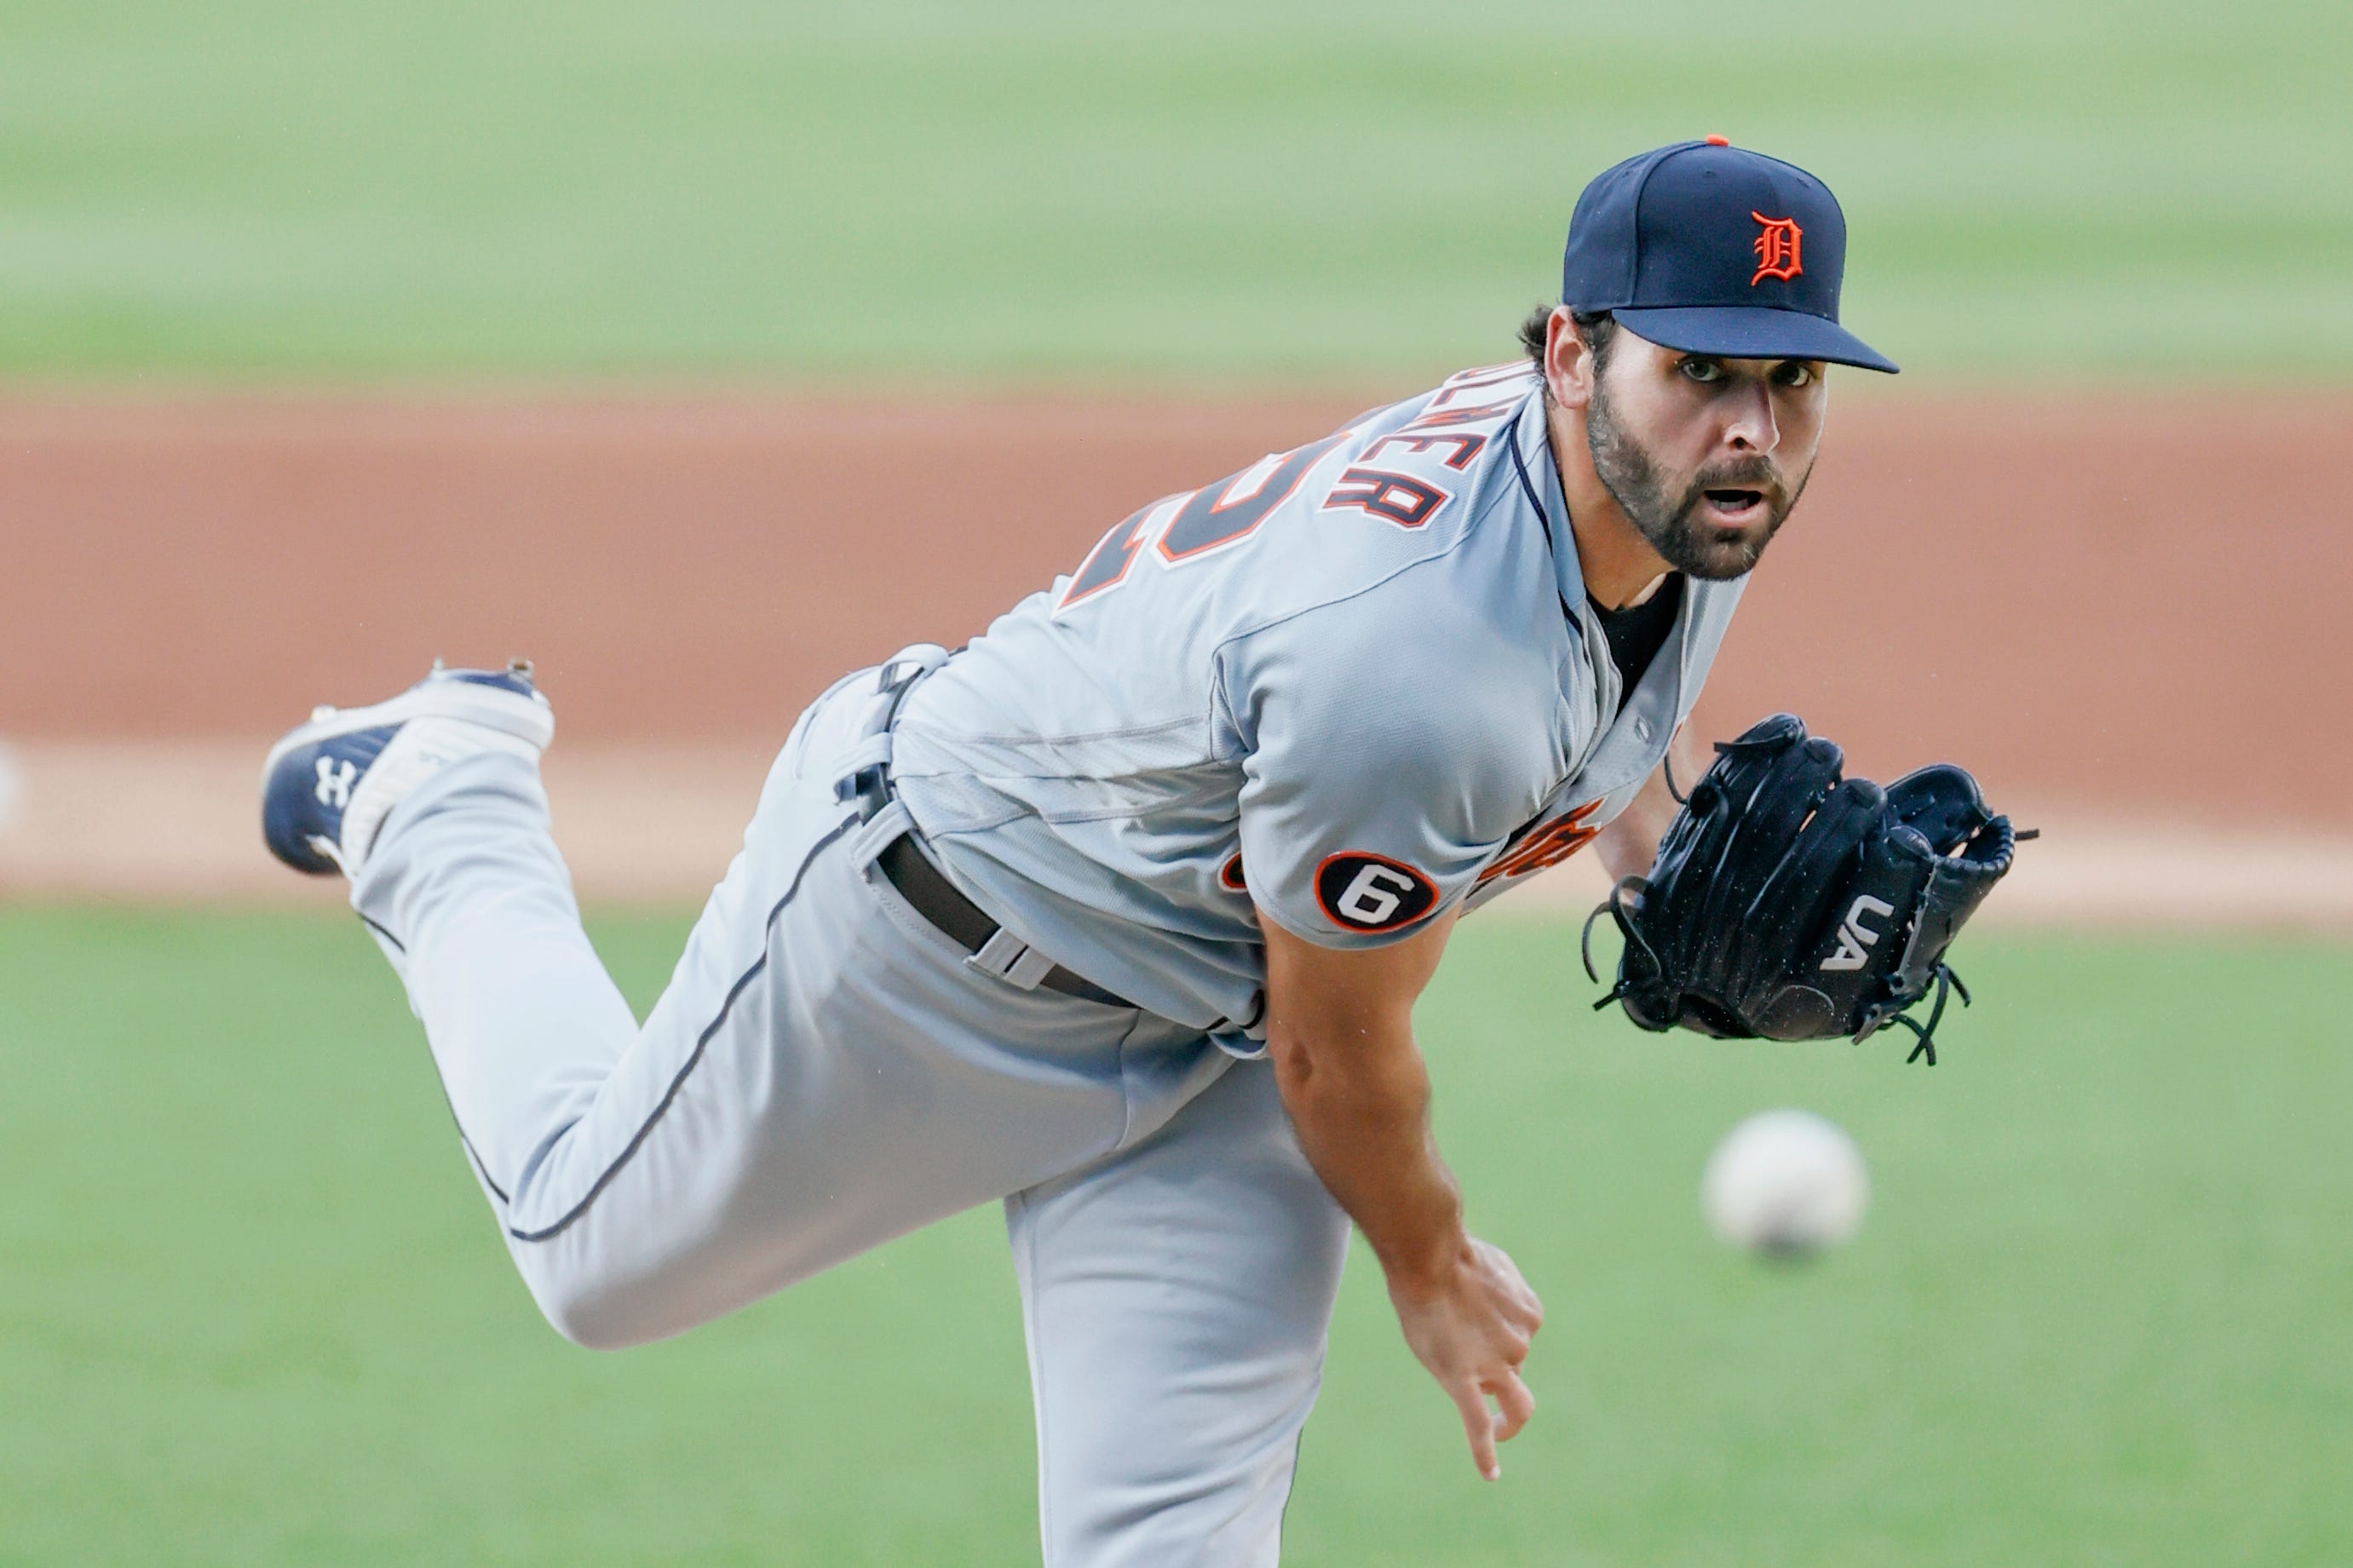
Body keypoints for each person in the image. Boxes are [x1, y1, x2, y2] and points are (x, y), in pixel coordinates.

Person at [261, 136, 1896, 1565]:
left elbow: (1577, 711)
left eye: (1788, 380)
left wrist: (1652, 860)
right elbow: (1344, 1059)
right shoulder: (1407, 664)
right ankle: (438, 792)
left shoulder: (1678, 501)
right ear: (1568, 355)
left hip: (1214, 1024)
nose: (1749, 428)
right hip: (930, 940)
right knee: (587, 1259)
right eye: (1700, 372)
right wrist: (1428, 1261)